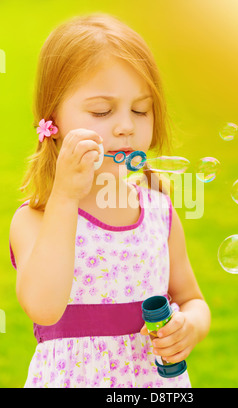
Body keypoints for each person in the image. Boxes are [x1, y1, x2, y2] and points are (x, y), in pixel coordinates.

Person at [9, 13, 211, 388]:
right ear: (52, 120)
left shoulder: (156, 209)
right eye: (102, 111)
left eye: (140, 109)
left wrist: (191, 326)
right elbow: (44, 307)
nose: (125, 126)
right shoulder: (35, 218)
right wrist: (66, 196)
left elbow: (192, 298)